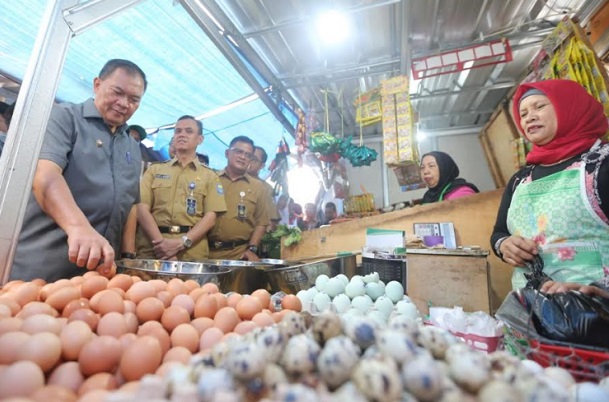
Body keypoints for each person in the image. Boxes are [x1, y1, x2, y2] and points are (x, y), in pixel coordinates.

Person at [11, 59, 147, 281]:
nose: (124, 103)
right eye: (117, 92)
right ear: (97, 85)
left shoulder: (131, 145)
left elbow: (131, 203)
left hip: (98, 273)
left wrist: (128, 255)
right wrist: (78, 226)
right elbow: (45, 176)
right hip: (46, 267)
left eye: (134, 100)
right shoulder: (63, 118)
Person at [490, 79, 609, 290]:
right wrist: (504, 245)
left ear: (569, 107)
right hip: (531, 309)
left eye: (539, 106)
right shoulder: (520, 179)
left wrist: (599, 292)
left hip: (596, 312)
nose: (530, 117)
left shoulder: (601, 165)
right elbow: (499, 232)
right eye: (523, 114)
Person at [136, 116, 226, 261]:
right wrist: (162, 245)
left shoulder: (210, 176)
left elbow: (210, 218)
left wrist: (181, 243)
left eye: (189, 131)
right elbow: (141, 209)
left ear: (200, 139)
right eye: (178, 131)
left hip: (191, 253)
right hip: (153, 250)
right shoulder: (154, 170)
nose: (182, 134)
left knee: (191, 285)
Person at [208, 136, 270, 260]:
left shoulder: (258, 187)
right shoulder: (210, 179)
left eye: (248, 155)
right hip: (205, 251)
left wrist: (252, 249)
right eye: (238, 151)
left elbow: (261, 222)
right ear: (227, 153)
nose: (243, 157)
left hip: (238, 255)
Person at [247, 145, 280, 231]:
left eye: (254, 159)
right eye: (248, 156)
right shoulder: (231, 179)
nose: (249, 160)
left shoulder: (266, 189)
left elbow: (271, 221)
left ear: (262, 165)